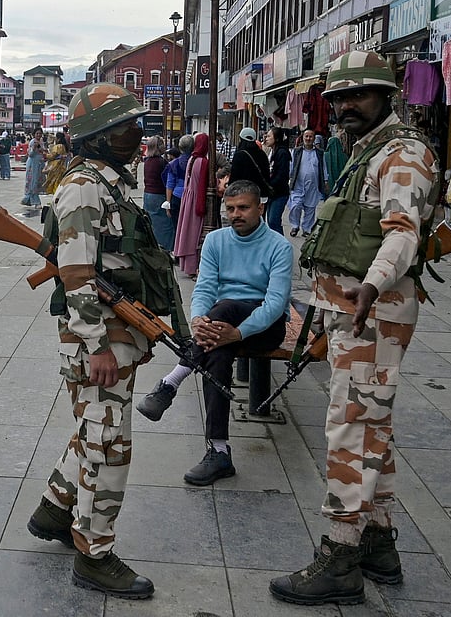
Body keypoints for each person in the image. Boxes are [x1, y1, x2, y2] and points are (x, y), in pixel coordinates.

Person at [270, 50, 439, 606]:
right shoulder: (363, 150)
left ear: (387, 95)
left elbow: (401, 230)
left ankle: (340, 555)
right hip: (349, 310)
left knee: (350, 430)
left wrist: (372, 282)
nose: (344, 106)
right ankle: (379, 543)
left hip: (374, 311)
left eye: (358, 95)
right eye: (338, 97)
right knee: (372, 428)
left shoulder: (403, 154)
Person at [24, 83, 162, 599]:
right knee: (109, 445)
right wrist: (99, 345)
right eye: (126, 127)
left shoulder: (107, 183)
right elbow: (77, 272)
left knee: (93, 429)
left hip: (113, 329)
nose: (137, 134)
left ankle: (56, 510)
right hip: (97, 336)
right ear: (99, 137)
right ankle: (95, 553)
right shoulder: (85, 187)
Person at [137, 179, 292, 484]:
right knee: (216, 353)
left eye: (244, 208)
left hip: (265, 326)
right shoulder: (216, 241)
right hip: (222, 326)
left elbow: (275, 304)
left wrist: (237, 332)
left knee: (225, 311)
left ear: (260, 208)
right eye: (230, 208)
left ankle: (172, 381)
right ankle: (219, 451)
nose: (236, 214)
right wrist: (198, 321)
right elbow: (204, 288)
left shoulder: (279, 246)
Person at [173, 133, 211, 276]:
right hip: (196, 199)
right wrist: (201, 206)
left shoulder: (192, 159)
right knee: (194, 234)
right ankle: (193, 266)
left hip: (187, 197)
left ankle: (187, 265)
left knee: (187, 232)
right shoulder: (203, 161)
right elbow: (201, 185)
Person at [288, 128, 327, 236]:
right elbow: (291, 166)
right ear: (303, 137)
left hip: (313, 186)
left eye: (311, 136)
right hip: (298, 185)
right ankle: (295, 226)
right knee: (295, 206)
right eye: (306, 136)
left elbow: (323, 167)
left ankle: (306, 229)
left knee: (310, 208)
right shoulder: (296, 151)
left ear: (314, 139)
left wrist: (325, 180)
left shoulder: (319, 153)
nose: (308, 139)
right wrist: (289, 178)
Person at [142, 136, 174, 250]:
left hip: (147, 194)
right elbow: (167, 181)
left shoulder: (147, 161)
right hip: (158, 195)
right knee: (164, 224)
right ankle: (166, 247)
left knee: (151, 222)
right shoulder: (161, 162)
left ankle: (153, 246)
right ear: (159, 147)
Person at [230, 126, 272, 200]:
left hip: (242, 195)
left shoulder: (239, 155)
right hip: (260, 195)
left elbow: (234, 177)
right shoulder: (262, 154)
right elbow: (266, 174)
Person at [265, 127, 292, 234]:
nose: (266, 138)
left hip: (279, 192)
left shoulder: (282, 153)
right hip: (272, 192)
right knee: (271, 222)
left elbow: (281, 174)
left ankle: (281, 246)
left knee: (273, 221)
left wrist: (269, 185)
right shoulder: (272, 151)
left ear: (276, 138)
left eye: (269, 136)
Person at [162, 135, 193, 225]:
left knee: (177, 226)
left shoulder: (173, 164)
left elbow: (169, 184)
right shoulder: (196, 162)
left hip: (177, 197)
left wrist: (168, 203)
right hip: (192, 198)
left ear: (180, 147)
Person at [21, 128, 45, 205]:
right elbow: (30, 154)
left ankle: (27, 199)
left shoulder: (41, 142)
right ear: (34, 134)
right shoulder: (32, 142)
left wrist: (42, 150)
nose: (38, 135)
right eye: (37, 133)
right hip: (33, 164)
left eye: (40, 133)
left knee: (37, 181)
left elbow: (44, 151)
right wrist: (34, 148)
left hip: (39, 164)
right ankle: (36, 201)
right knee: (32, 182)